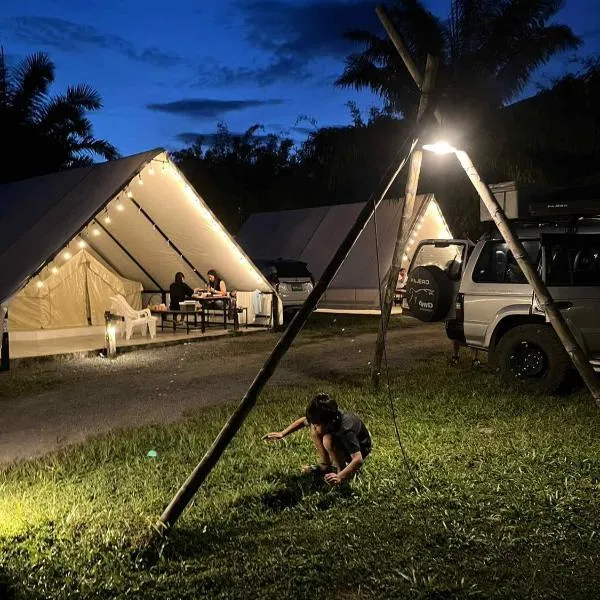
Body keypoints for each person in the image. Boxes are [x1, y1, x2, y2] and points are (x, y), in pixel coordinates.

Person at [263, 393, 372, 486]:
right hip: (342, 441)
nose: (314, 425)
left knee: (328, 440)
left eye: (316, 424)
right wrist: (282, 433)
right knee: (316, 431)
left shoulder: (345, 429)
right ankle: (325, 467)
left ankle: (340, 472)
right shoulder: (327, 417)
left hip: (360, 448)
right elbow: (303, 421)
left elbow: (358, 459)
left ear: (330, 422)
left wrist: (340, 477)